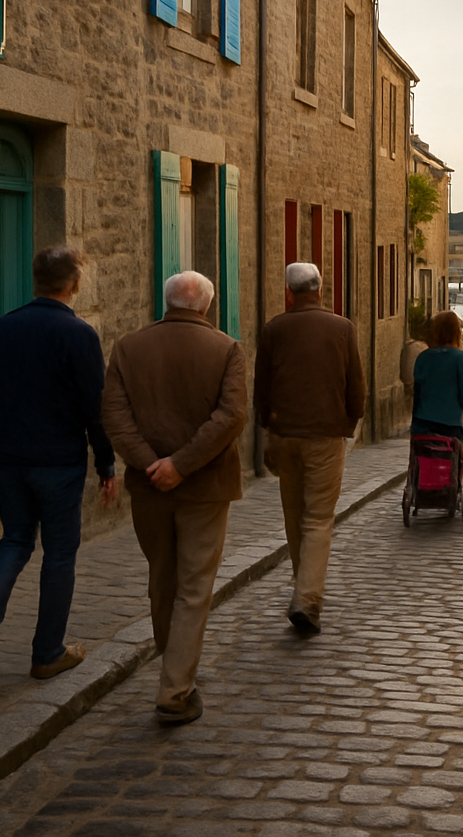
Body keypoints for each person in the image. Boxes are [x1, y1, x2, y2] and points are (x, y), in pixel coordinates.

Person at [0, 246, 117, 680]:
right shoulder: (80, 335)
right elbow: (94, 409)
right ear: (74, 283)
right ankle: (47, 652)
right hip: (59, 463)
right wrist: (106, 465)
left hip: (10, 457)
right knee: (60, 553)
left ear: (35, 281)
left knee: (15, 539)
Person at [100, 271, 246, 725]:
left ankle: (174, 670)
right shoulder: (226, 349)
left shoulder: (128, 348)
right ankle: (175, 689)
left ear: (166, 302)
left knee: (162, 579)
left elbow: (114, 416)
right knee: (193, 587)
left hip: (149, 487)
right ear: (205, 305)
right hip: (205, 487)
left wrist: (152, 464)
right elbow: (231, 416)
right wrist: (181, 464)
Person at [254, 262, 365, 636]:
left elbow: (262, 386)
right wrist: (349, 424)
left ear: (289, 292)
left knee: (294, 515)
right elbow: (356, 386)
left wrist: (268, 429)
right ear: (321, 290)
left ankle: (304, 588)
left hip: (285, 435)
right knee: (318, 518)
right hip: (325, 436)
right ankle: (307, 599)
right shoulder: (342, 329)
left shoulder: (273, 329)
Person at [412, 311, 463, 443]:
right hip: (450, 426)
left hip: (422, 425)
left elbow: (417, 394)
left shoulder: (423, 358)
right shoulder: (461, 359)